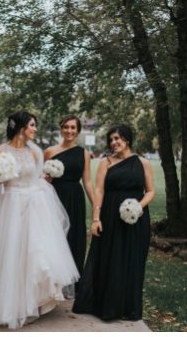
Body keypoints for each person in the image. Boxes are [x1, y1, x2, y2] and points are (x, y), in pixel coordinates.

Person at [0, 110, 80, 328]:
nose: (34, 129)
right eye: (32, 125)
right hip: (8, 205)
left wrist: (44, 184)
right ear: (21, 128)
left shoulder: (35, 152)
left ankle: (33, 300)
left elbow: (38, 178)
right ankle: (7, 302)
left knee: (34, 252)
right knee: (9, 252)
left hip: (33, 205)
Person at [73, 124, 154, 322]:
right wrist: (96, 219)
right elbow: (99, 191)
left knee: (132, 260)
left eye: (117, 138)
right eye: (111, 140)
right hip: (109, 215)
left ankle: (128, 307)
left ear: (127, 139)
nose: (113, 143)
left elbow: (150, 191)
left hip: (136, 219)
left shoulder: (143, 162)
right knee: (109, 259)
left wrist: (138, 206)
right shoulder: (105, 162)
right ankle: (107, 306)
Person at [43, 115, 96, 295]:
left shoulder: (83, 153)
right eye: (66, 127)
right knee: (54, 239)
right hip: (54, 197)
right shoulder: (49, 152)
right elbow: (40, 178)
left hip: (75, 198)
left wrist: (96, 207)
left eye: (73, 128)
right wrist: (46, 178)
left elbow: (87, 182)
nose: (69, 131)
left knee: (74, 238)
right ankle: (53, 284)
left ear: (78, 131)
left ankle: (72, 284)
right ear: (61, 129)